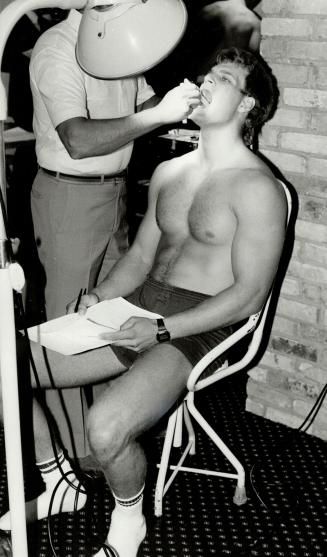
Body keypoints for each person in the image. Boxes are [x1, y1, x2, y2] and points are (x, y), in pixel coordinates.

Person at [0, 48, 287, 557]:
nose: (203, 83)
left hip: (199, 327)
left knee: (106, 430)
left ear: (248, 106)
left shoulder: (258, 188)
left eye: (221, 80)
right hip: (137, 309)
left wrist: (159, 331)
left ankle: (127, 527)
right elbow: (139, 258)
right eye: (206, 73)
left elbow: (248, 296)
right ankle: (56, 479)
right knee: (4, 362)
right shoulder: (170, 172)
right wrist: (100, 296)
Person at [28, 6, 201, 457]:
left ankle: (105, 432)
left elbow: (142, 102)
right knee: (68, 323)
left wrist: (187, 105)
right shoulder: (58, 48)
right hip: (71, 195)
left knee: (112, 311)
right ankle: (69, 455)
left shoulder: (117, 40)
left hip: (113, 191)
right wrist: (161, 115)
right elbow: (79, 141)